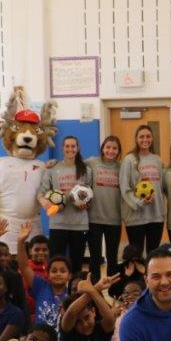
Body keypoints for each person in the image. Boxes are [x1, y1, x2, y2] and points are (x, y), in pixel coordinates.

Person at [39, 134, 93, 274]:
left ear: (78, 148)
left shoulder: (86, 170)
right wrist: (46, 203)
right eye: (67, 146)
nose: (70, 149)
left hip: (79, 224)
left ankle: (75, 292)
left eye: (73, 146)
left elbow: (90, 195)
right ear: (62, 149)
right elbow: (41, 193)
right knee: (56, 264)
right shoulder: (52, 168)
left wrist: (86, 204)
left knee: (76, 265)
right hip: (58, 223)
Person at [120, 124, 166, 257]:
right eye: (141, 137)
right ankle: (137, 279)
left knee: (153, 254)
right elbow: (125, 188)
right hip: (136, 216)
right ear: (136, 139)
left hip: (156, 215)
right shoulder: (129, 160)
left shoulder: (157, 160)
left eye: (148, 136)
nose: (145, 139)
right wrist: (140, 202)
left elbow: (161, 187)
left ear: (152, 139)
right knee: (136, 255)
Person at [16, 222, 72, 329]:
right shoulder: (41, 287)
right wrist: (20, 242)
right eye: (54, 271)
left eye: (62, 271)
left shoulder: (72, 294)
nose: (58, 274)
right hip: (40, 337)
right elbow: (24, 267)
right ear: (48, 274)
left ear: (69, 275)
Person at [85, 135, 124, 280]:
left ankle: (113, 290)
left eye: (114, 148)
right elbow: (73, 164)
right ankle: (94, 290)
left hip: (114, 219)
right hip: (94, 218)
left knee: (112, 256)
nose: (111, 151)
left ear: (119, 151)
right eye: (108, 147)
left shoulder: (121, 167)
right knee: (95, 257)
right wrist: (54, 163)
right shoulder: (92, 162)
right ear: (102, 148)